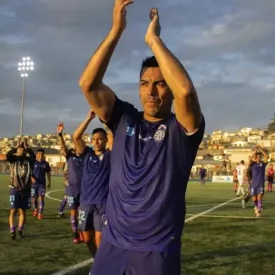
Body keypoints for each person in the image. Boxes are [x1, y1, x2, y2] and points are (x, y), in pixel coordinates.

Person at [78, 1, 205, 273]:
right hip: (112, 245)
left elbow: (185, 91)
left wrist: (153, 40)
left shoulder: (181, 130)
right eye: (145, 84)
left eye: (160, 84)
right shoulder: (124, 118)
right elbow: (88, 84)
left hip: (156, 249)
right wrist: (116, 30)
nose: (151, 92)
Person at [73, 111, 112, 258]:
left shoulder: (109, 155)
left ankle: (101, 267)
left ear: (105, 140)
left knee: (99, 238)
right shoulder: (87, 154)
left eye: (100, 139)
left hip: (102, 203)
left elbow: (113, 134)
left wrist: (105, 119)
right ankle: (97, 261)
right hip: (85, 203)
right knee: (87, 239)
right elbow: (76, 137)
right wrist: (88, 118)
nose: (96, 142)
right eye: (94, 139)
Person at [57, 122, 84, 244]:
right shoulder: (70, 156)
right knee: (73, 211)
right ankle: (75, 234)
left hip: (85, 189)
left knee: (82, 213)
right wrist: (60, 135)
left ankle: (83, 232)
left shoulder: (86, 156)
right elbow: (63, 148)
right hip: (72, 189)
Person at [6, 139, 35, 240]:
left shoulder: (29, 161)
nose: (21, 150)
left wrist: (28, 148)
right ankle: (12, 230)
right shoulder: (13, 159)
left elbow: (33, 157)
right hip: (14, 188)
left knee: (23, 211)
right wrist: (15, 147)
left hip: (25, 189)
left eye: (23, 149)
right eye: (20, 148)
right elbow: (8, 155)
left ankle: (20, 229)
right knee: (13, 210)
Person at [31, 149, 51, 220]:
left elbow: (48, 173)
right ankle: (36, 209)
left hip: (42, 184)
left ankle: (40, 214)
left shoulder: (46, 163)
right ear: (37, 155)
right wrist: (31, 178)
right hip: (33, 184)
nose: (40, 155)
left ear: (43, 155)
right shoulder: (33, 162)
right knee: (34, 199)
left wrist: (49, 182)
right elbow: (29, 171)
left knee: (41, 198)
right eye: (39, 154)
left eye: (41, 154)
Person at [250, 147, 268, 217]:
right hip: (253, 184)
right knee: (254, 199)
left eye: (259, 157)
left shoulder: (263, 164)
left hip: (260, 183)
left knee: (259, 197)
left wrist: (260, 149)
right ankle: (256, 207)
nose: (258, 158)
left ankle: (259, 210)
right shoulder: (252, 164)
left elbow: (266, 156)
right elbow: (249, 159)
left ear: (260, 158)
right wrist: (255, 151)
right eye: (257, 157)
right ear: (255, 158)